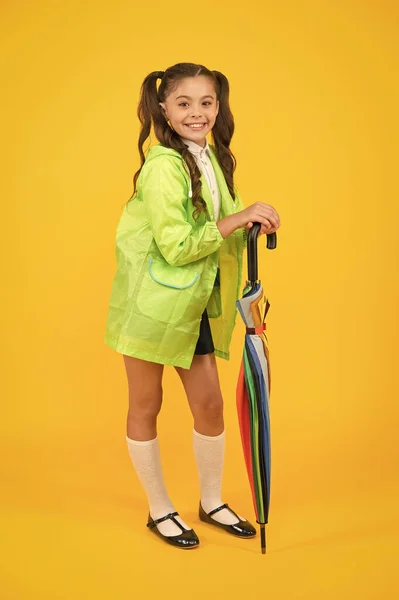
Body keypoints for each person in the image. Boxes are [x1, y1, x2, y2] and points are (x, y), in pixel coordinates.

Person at [104, 62, 280, 549]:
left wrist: (254, 221)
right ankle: (160, 509)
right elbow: (178, 245)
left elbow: (222, 223)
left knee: (210, 405)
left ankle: (210, 502)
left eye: (206, 103)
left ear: (218, 107)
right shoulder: (164, 165)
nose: (196, 113)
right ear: (163, 108)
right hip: (149, 304)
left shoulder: (214, 157)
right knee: (146, 403)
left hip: (192, 302)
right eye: (184, 103)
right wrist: (237, 217)